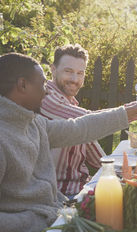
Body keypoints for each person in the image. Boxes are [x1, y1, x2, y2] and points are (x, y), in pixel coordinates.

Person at [0, 53, 137, 232]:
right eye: (41, 85)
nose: (46, 90)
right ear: (22, 85)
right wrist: (42, 220)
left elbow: (79, 128)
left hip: (49, 227)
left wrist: (135, 110)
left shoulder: (32, 122)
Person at [40, 44, 108, 198]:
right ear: (53, 69)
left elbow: (90, 144)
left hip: (81, 187)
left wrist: (112, 170)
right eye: (68, 71)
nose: (74, 79)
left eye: (80, 73)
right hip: (60, 195)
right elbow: (93, 121)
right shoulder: (46, 98)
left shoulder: (71, 104)